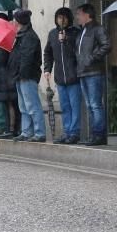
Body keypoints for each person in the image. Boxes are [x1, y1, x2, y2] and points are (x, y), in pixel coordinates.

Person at [44, 7, 82, 144]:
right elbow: (48, 53)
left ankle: (74, 132)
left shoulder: (76, 33)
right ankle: (67, 131)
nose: (62, 20)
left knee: (75, 106)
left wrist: (66, 41)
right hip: (60, 77)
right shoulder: (53, 34)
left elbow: (78, 53)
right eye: (59, 17)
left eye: (64, 17)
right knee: (65, 106)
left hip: (74, 76)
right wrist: (47, 69)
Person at [76, 3, 111, 146]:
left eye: (79, 13)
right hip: (83, 72)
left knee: (96, 105)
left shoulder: (98, 29)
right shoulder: (82, 31)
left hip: (94, 71)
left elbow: (107, 45)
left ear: (87, 15)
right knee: (90, 105)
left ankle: (99, 135)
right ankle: (93, 134)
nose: (77, 16)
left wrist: (92, 57)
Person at [10, 9, 46, 142]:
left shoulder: (29, 36)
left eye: (15, 19)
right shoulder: (20, 35)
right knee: (23, 106)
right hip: (20, 76)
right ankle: (26, 131)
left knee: (32, 105)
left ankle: (39, 132)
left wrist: (21, 73)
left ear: (19, 21)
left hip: (27, 76)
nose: (13, 21)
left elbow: (27, 58)